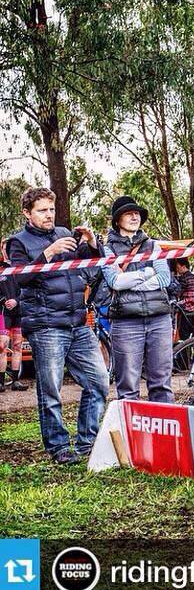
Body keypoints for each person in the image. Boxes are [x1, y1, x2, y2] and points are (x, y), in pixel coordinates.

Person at [7, 187, 109, 464]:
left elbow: (89, 266)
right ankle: (58, 447)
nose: (48, 215)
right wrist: (47, 254)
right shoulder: (18, 242)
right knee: (51, 390)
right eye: (42, 210)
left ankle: (87, 442)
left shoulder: (65, 233)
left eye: (51, 209)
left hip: (77, 321)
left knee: (99, 381)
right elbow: (18, 280)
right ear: (27, 213)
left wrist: (93, 244)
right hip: (46, 325)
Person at [101, 196, 173, 403]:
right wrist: (147, 273)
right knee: (128, 387)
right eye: (128, 213)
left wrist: (131, 282)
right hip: (126, 322)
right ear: (117, 220)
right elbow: (114, 281)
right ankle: (129, 434)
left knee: (161, 383)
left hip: (159, 318)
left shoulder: (153, 246)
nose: (134, 216)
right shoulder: (107, 249)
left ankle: (164, 432)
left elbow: (164, 278)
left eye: (137, 213)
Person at [0, 239, 28, 391]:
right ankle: (1, 382)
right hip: (3, 312)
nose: (7, 250)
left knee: (17, 345)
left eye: (9, 248)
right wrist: (4, 300)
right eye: (4, 247)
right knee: (2, 346)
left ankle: (16, 381)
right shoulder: (1, 268)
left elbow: (27, 288)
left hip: (19, 311)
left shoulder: (21, 268)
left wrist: (17, 301)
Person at [175, 258, 194, 340]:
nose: (177, 269)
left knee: (183, 334)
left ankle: (185, 351)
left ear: (183, 266)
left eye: (178, 267)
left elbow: (178, 292)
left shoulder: (184, 279)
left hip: (185, 309)